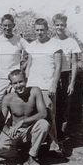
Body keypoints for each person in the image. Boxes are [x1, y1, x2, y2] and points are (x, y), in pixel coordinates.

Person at [0, 69, 50, 165]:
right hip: (16, 132)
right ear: (11, 84)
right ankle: (17, 156)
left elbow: (43, 113)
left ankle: (32, 156)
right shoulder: (8, 98)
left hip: (31, 130)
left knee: (44, 124)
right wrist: (8, 132)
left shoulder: (35, 91)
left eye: (20, 81)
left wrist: (22, 121)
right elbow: (1, 122)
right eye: (15, 83)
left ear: (26, 80)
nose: (18, 85)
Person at [25, 18, 62, 151]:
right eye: (37, 30)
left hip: (47, 86)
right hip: (33, 86)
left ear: (47, 30)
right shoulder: (32, 46)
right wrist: (26, 81)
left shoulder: (55, 45)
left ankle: (54, 144)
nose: (39, 32)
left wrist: (54, 85)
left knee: (48, 116)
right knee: (32, 114)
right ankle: (34, 145)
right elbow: (29, 65)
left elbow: (58, 68)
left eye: (42, 30)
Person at [0, 14, 28, 119]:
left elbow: (32, 52)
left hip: (15, 79)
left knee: (15, 106)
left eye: (9, 25)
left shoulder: (19, 40)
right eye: (5, 25)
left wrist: (23, 67)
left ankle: (11, 132)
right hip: (0, 78)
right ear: (1, 25)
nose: (7, 28)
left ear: (13, 25)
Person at [52, 13, 81, 140]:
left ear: (65, 26)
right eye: (57, 25)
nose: (59, 27)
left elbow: (74, 64)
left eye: (62, 25)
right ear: (54, 26)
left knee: (64, 107)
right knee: (52, 107)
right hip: (52, 76)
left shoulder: (71, 42)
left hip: (65, 76)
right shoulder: (50, 41)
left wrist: (71, 83)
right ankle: (51, 136)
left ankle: (61, 137)